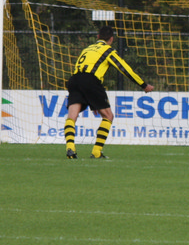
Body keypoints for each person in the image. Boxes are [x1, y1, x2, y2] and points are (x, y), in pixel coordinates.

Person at [64, 26, 154, 159]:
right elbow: (124, 69)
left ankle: (70, 149)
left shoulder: (87, 49)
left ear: (98, 37)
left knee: (72, 116)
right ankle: (96, 152)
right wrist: (143, 85)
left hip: (74, 80)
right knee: (108, 116)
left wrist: (91, 99)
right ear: (111, 39)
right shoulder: (108, 50)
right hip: (91, 80)